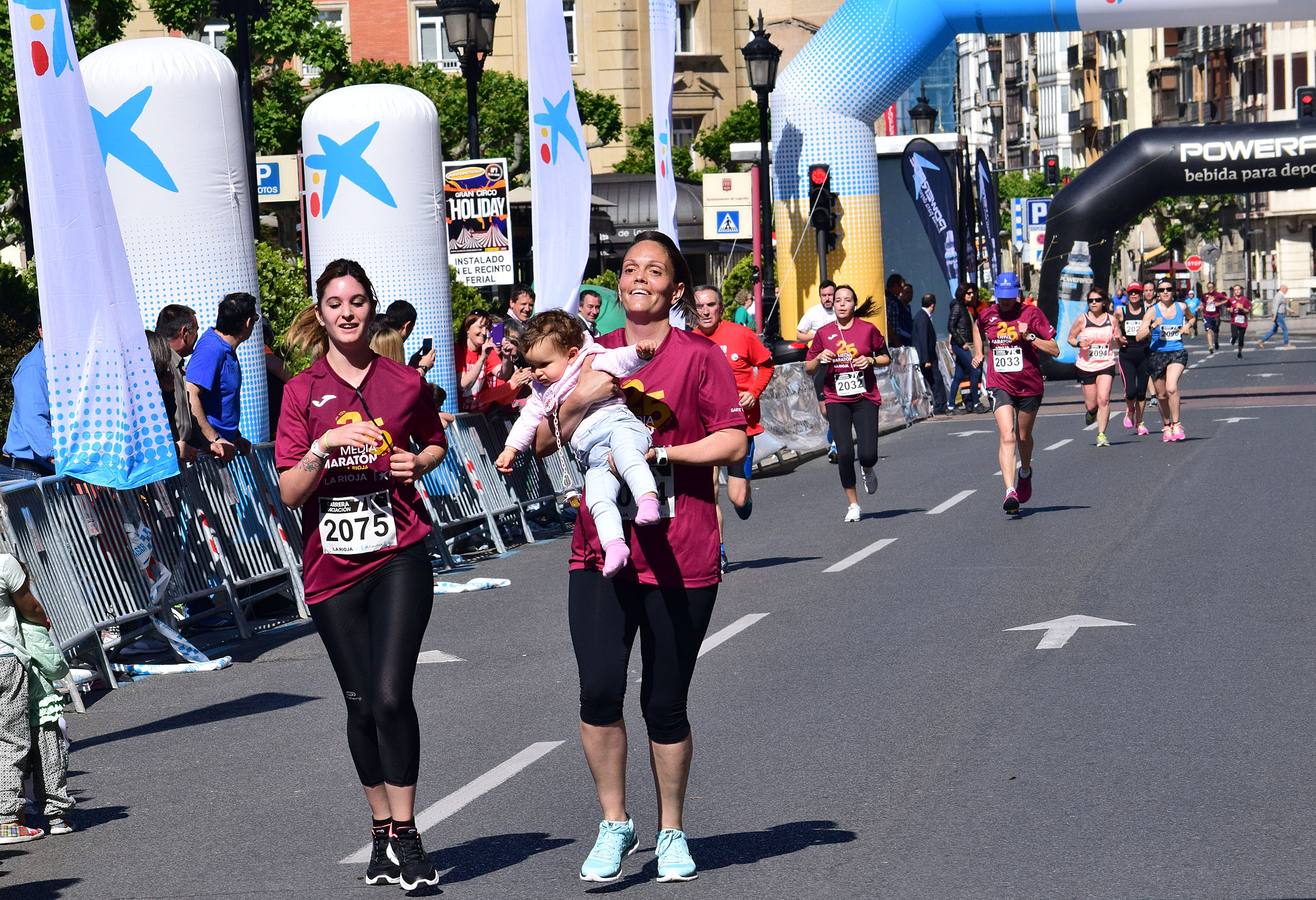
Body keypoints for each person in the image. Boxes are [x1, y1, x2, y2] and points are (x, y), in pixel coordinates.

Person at [533, 231, 746, 884]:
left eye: (655, 270)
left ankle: (672, 829)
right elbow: (543, 440)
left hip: (682, 552)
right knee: (598, 688)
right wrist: (579, 395)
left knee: (664, 703)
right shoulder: (585, 356)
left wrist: (666, 457)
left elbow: (733, 440)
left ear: (675, 289)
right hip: (601, 551)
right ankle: (614, 822)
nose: (639, 278)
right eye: (630, 269)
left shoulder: (700, 358)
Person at [277, 259, 449, 892]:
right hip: (331, 567)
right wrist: (323, 449)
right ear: (319, 314)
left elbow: (435, 441)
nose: (346, 313)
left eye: (356, 302)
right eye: (334, 303)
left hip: (400, 550)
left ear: (371, 308)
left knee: (389, 695)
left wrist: (416, 462)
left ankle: (407, 835)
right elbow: (292, 492)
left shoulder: (404, 382)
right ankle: (380, 828)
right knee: (357, 702)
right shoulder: (301, 393)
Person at [496, 311, 660, 576]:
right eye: (532, 366)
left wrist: (640, 352)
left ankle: (647, 499)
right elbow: (527, 420)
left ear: (571, 354)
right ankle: (615, 546)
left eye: (544, 364)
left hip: (618, 426)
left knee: (628, 456)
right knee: (596, 497)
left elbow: (620, 359)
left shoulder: (591, 360)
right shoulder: (541, 391)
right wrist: (511, 448)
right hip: (592, 452)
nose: (537, 373)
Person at [692, 285, 774, 569]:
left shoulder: (741, 334)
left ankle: (745, 498)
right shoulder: (687, 341)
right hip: (704, 428)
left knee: (737, 498)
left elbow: (766, 365)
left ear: (720, 308)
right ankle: (719, 550)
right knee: (708, 490)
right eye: (700, 306)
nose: (705, 311)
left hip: (740, 425)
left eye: (710, 305)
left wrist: (753, 391)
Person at [971, 271, 1060, 513]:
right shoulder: (987, 315)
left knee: (1022, 437)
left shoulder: (1032, 314)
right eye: (1001, 297)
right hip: (1000, 383)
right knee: (1007, 436)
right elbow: (976, 327)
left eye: (1010, 296)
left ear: (1018, 294)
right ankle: (1010, 490)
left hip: (1029, 385)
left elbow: (1055, 349)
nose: (1006, 301)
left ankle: (1026, 470)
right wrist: (979, 352)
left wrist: (1029, 336)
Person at [805, 285, 891, 522]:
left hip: (865, 398)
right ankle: (853, 504)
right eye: (838, 300)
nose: (841, 304)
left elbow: (886, 357)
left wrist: (871, 359)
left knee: (867, 453)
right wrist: (819, 358)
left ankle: (868, 467)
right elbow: (808, 367)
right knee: (843, 452)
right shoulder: (823, 333)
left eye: (847, 300)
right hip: (836, 398)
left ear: (854, 304)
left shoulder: (868, 330)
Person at [0, 553, 50, 844]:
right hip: (4, 658)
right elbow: (28, 605)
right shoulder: (5, 563)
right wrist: (42, 619)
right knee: (10, 739)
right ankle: (6, 819)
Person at [17, 613, 73, 835]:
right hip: (39, 706)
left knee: (13, 762)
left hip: (11, 710)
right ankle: (57, 817)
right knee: (50, 762)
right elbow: (55, 667)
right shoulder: (29, 628)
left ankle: (15, 815)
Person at [186, 292, 258, 462]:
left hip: (222, 449)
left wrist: (235, 436)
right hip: (206, 454)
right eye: (255, 318)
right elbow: (189, 394)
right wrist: (214, 439)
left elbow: (222, 399)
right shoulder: (212, 349)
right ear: (248, 322)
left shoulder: (224, 348)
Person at [1068, 288, 1118, 447]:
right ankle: (1091, 413)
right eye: (1090, 301)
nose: (1094, 303)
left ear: (1104, 302)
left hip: (1106, 363)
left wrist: (1120, 340)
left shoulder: (1112, 319)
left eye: (1097, 300)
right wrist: (1078, 343)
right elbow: (1070, 338)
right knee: (1092, 404)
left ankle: (1101, 434)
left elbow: (1118, 337)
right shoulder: (1082, 319)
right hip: (1086, 365)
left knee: (1103, 399)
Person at [455, 310, 531, 415]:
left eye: (487, 328)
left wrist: (506, 356)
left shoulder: (489, 352)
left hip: (481, 416)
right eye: (480, 327)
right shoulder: (458, 350)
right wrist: (513, 384)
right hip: (462, 415)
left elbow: (502, 375)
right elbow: (463, 385)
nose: (484, 332)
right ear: (467, 328)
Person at [2, 331, 54, 477]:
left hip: (41, 471)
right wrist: (64, 459)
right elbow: (33, 420)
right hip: (25, 472)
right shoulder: (35, 367)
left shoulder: (58, 362)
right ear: (41, 330)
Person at [155, 304, 205, 454]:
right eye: (196, 331)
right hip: (168, 461)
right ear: (184, 333)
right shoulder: (160, 365)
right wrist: (175, 448)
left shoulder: (177, 364)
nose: (196, 337)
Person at [1147, 279, 1192, 442]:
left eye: (1168, 289)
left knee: (1171, 388)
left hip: (1177, 352)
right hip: (1157, 354)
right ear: (1157, 293)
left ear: (1173, 291)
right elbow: (1139, 334)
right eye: (1161, 290)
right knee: (1161, 394)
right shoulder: (1152, 311)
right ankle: (1167, 425)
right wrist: (1152, 326)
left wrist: (1188, 325)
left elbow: (1192, 318)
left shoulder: (1181, 307)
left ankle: (1177, 424)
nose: (1165, 292)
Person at [1114, 282, 1153, 436]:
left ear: (1141, 293)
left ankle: (1140, 422)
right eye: (1131, 293)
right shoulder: (1120, 311)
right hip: (1127, 355)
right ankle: (1130, 410)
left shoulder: (1148, 311)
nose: (1134, 295)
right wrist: (1118, 337)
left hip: (1144, 354)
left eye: (1137, 292)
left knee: (1142, 392)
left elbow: (1152, 328)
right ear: (1127, 295)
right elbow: (1115, 327)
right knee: (1131, 392)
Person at [946, 284, 987, 414]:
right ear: (962, 293)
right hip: (961, 345)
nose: (971, 295)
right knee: (975, 370)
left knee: (958, 375)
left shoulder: (965, 307)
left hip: (965, 343)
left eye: (972, 293)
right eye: (968, 293)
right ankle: (976, 403)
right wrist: (961, 342)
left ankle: (951, 406)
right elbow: (951, 326)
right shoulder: (958, 306)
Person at [911, 292, 949, 416]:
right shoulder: (922, 317)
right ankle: (940, 404)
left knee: (936, 379)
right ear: (933, 305)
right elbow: (922, 339)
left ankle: (941, 404)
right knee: (935, 379)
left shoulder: (923, 316)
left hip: (929, 356)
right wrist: (926, 359)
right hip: (927, 357)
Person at [382, 300, 437, 377]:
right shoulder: (394, 348)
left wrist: (411, 366)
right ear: (407, 326)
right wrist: (424, 367)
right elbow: (401, 385)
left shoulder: (379, 342)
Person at [1258, 284, 1291, 349]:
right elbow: (1275, 307)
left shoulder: (1281, 296)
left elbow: (1283, 305)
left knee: (1273, 331)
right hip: (1279, 315)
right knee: (1285, 330)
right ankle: (1286, 344)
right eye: (1286, 289)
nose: (1287, 291)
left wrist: (1290, 310)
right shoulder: (1278, 296)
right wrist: (1274, 316)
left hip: (1279, 315)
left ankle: (1262, 341)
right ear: (1282, 289)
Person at [885, 273, 910, 348]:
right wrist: (896, 342)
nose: (902, 290)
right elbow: (888, 323)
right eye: (901, 287)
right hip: (892, 343)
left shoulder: (888, 299)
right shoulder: (892, 302)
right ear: (895, 286)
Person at [1201, 281, 1225, 354]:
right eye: (1208, 287)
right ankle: (1211, 346)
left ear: (1214, 287)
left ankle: (1216, 341)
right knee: (1208, 330)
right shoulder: (1204, 295)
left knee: (1216, 331)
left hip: (1216, 316)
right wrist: (1201, 306)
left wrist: (1219, 303)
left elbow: (1227, 299)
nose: (1210, 289)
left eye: (1211, 287)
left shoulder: (1218, 295)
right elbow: (1202, 302)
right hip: (1207, 315)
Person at [1227, 285, 1251, 358]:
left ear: (1241, 290)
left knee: (1241, 339)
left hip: (1243, 322)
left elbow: (1248, 311)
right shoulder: (1230, 300)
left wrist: (1242, 308)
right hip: (1234, 321)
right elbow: (1228, 308)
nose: (1237, 291)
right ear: (1233, 291)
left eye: (1238, 289)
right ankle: (1233, 338)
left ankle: (1239, 352)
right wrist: (1229, 310)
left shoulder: (1245, 299)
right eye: (1235, 290)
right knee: (1235, 335)